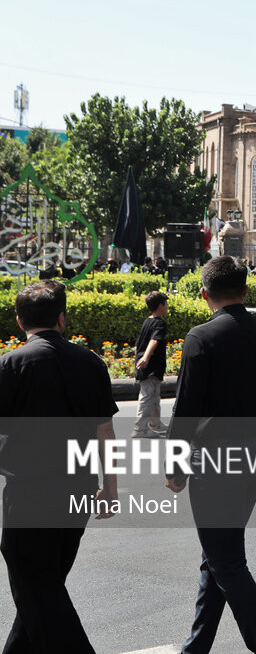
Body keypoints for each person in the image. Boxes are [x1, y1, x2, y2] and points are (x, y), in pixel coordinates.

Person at [166, 256, 256, 654]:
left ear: (204, 294)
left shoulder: (201, 337)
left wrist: (174, 464)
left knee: (227, 561)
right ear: (246, 291)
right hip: (253, 456)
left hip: (213, 461)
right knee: (218, 555)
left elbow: (185, 407)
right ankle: (195, 647)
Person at [0, 280, 118, 653]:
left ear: (20, 321)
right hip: (77, 492)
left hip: (28, 494)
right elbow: (105, 432)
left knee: (38, 590)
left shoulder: (11, 365)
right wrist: (109, 488)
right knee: (43, 589)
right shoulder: (91, 363)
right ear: (62, 319)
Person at [132, 290, 170, 439]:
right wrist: (146, 358)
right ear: (160, 306)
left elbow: (139, 343)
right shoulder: (160, 323)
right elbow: (154, 340)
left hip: (146, 365)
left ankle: (155, 423)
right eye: (166, 304)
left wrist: (139, 358)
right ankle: (140, 429)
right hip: (151, 366)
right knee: (147, 397)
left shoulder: (147, 321)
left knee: (154, 395)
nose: (167, 306)